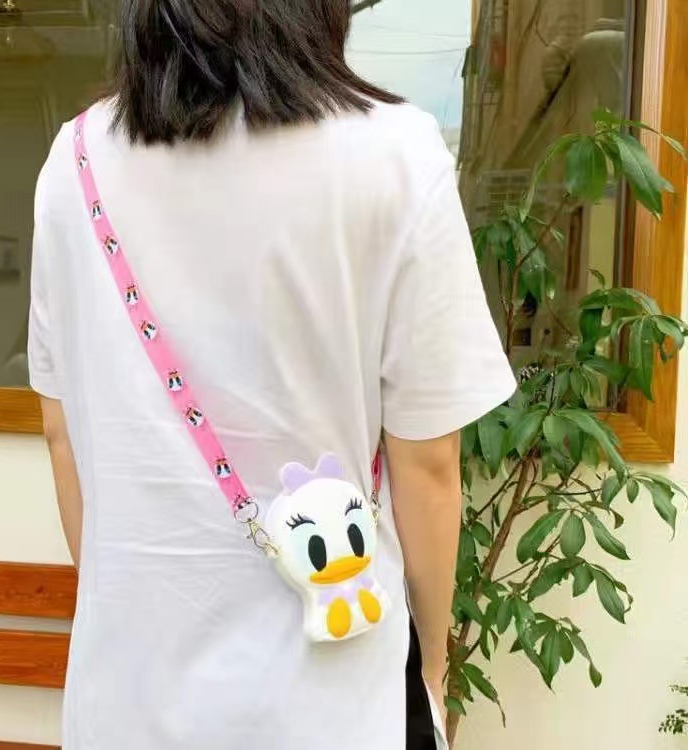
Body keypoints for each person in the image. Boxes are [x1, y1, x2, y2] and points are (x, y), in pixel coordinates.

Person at [27, 1, 516, 748]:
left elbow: (62, 434)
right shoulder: (397, 154)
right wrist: (435, 667)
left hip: (125, 700)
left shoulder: (74, 162)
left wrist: (131, 613)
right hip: (336, 702)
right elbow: (428, 463)